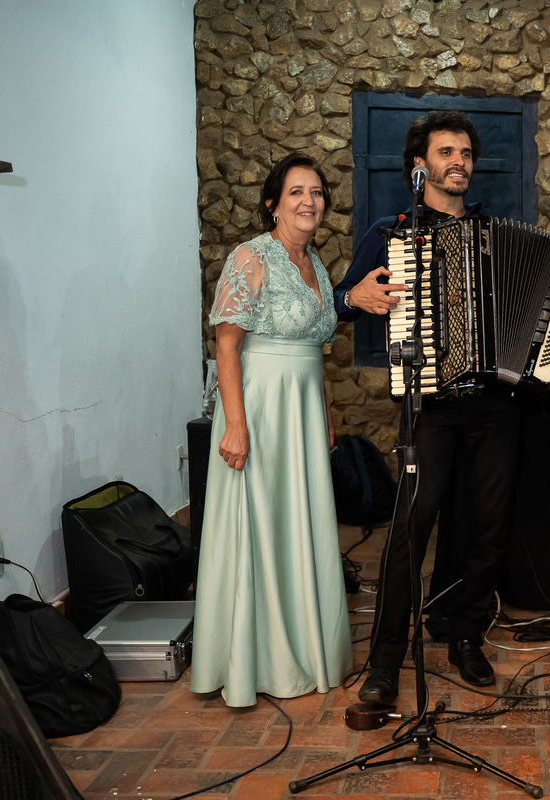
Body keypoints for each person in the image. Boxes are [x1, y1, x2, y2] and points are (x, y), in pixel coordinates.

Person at [334, 110, 550, 705]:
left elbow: (537, 320)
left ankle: (467, 634)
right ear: (420, 165)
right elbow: (341, 301)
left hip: (496, 407)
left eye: (467, 154)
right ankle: (387, 658)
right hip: (431, 410)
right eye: (448, 152)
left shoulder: (493, 234)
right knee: (408, 531)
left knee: (488, 529)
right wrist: (355, 295)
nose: (460, 163)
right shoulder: (391, 231)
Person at [190, 153, 352, 707]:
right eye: (296, 193)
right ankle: (260, 659)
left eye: (317, 192)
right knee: (260, 524)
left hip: (304, 409)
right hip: (259, 409)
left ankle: (309, 644)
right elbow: (227, 344)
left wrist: (327, 413)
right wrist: (234, 424)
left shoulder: (316, 265)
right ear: (272, 203)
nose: (310, 202)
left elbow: (316, 352)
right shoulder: (250, 257)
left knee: (298, 520)